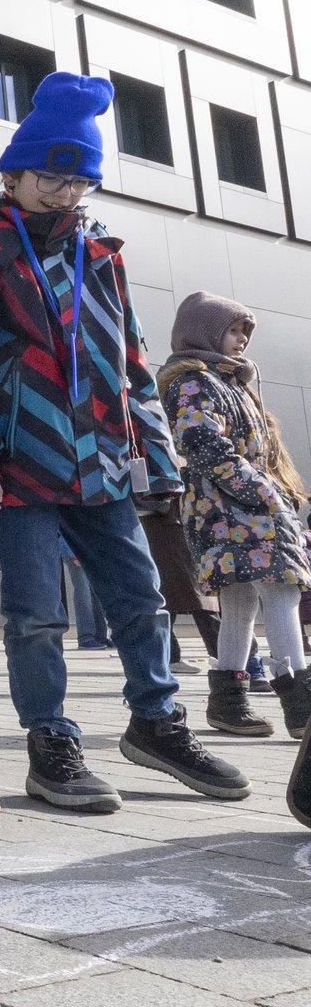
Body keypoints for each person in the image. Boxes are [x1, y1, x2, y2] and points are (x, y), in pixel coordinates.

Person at [0, 73, 246, 811]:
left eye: (79, 181)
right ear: (13, 173)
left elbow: (132, 362)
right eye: (52, 178)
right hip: (17, 467)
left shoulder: (103, 256)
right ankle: (50, 746)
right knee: (35, 614)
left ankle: (158, 724)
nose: (66, 193)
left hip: (101, 463)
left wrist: (157, 459)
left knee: (143, 599)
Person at [159, 292, 311, 741]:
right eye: (233, 330)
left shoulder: (226, 382)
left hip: (228, 509)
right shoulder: (195, 381)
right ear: (204, 331)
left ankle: (229, 705)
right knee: (281, 594)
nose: (242, 339)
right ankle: (302, 708)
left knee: (241, 604)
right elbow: (206, 446)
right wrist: (268, 494)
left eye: (245, 331)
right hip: (236, 509)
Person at [137, 493, 217, 674]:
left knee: (171, 594)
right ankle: (224, 657)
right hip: (169, 523)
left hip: (167, 523)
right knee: (198, 596)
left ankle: (169, 655)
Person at [60, 540, 111, 650]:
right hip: (74, 549)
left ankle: (100, 636)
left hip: (89, 549)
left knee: (96, 594)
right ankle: (86, 638)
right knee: (83, 594)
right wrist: (72, 553)